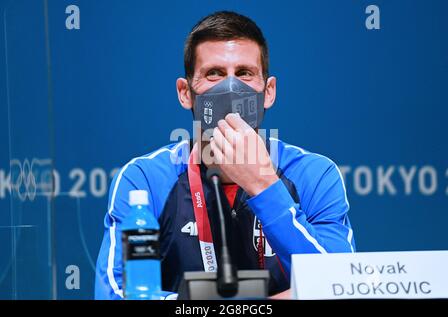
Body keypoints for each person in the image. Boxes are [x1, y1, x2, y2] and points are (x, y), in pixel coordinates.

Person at [95, 11, 356, 300]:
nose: (231, 89)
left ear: (269, 92)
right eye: (214, 74)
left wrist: (264, 187)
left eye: (244, 73)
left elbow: (339, 287)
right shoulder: (145, 179)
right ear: (185, 93)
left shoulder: (315, 175)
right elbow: (115, 294)